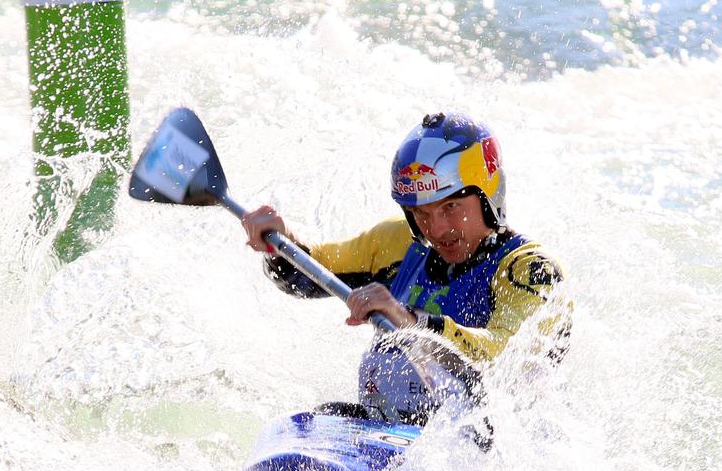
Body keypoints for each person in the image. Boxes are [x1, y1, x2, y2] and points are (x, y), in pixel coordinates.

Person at [241, 112, 571, 425]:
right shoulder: (399, 243)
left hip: (482, 450)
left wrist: (414, 323)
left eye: (451, 207)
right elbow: (305, 275)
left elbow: (503, 360)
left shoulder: (531, 271)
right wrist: (278, 243)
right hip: (395, 433)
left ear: (488, 196)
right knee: (320, 420)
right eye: (421, 213)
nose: (437, 229)